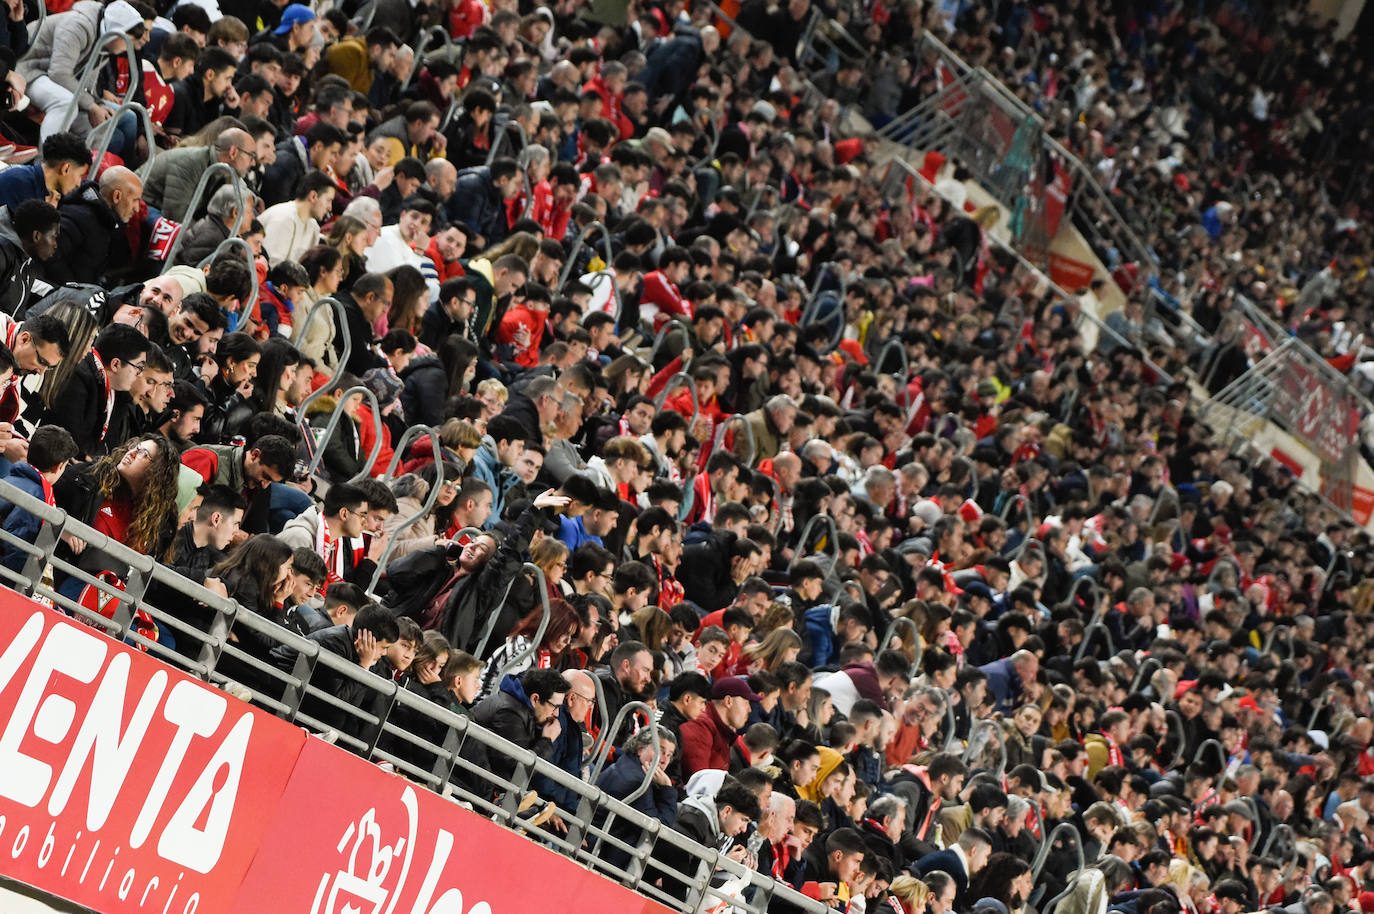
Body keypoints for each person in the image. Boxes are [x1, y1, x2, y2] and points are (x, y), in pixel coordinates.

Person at [0, 425, 77, 572]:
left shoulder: (10, 479)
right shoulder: (38, 497)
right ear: (58, 467)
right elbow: (18, 544)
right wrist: (18, 582)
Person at [141, 126, 256, 222]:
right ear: (233, 152)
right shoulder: (190, 163)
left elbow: (242, 190)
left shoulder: (225, 170)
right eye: (251, 156)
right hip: (142, 204)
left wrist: (255, 199)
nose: (253, 163)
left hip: (163, 210)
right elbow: (175, 217)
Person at [678, 674, 761, 777]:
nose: (749, 709)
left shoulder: (723, 730)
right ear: (728, 701)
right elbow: (699, 783)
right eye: (745, 703)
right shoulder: (700, 727)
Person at [259, 170, 335, 264]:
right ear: (313, 196)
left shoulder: (314, 227)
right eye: (328, 200)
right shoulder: (283, 217)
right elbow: (269, 264)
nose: (330, 208)